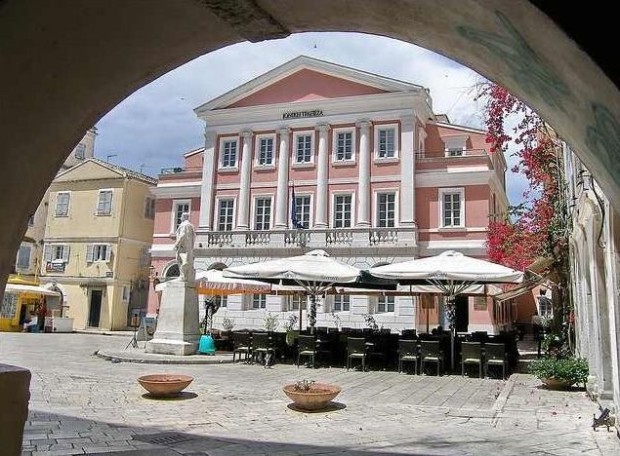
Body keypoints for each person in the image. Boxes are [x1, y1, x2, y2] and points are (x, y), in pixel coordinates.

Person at [174, 212, 196, 282]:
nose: (180, 218)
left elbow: (182, 235)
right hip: (189, 247)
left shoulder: (184, 225)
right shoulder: (191, 226)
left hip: (182, 247)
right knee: (188, 262)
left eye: (181, 217)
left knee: (181, 261)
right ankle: (187, 277)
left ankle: (182, 276)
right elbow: (194, 237)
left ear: (183, 217)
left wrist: (177, 244)